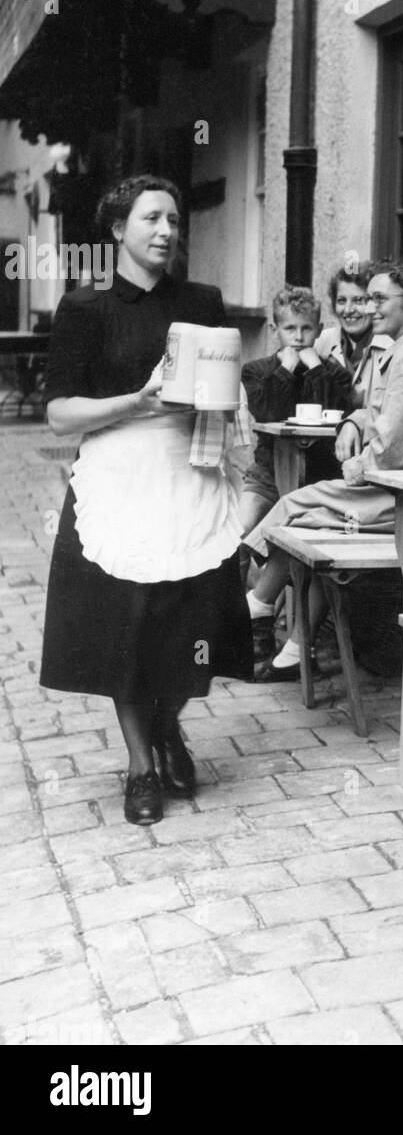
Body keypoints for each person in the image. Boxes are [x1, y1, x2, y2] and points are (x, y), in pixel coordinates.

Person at [40, 175, 253, 826]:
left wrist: (228, 438)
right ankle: (140, 765)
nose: (165, 231)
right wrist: (136, 400)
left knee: (194, 626)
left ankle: (168, 726)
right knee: (127, 633)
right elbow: (58, 414)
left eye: (173, 219)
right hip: (119, 480)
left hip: (190, 478)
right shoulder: (87, 307)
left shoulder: (203, 300)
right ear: (116, 230)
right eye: (151, 218)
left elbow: (222, 393)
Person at [243, 262, 403, 676]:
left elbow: (396, 446)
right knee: (300, 513)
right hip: (397, 488)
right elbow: (375, 411)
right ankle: (285, 639)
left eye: (379, 299)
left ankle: (258, 607)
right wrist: (354, 422)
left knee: (296, 509)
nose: (370, 308)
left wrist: (354, 463)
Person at [240, 285, 354, 537]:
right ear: (274, 330)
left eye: (307, 328)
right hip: (268, 473)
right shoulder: (255, 370)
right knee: (241, 529)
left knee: (307, 541)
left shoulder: (336, 374)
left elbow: (334, 415)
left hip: (321, 475)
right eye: (290, 328)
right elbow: (266, 413)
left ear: (320, 330)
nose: (299, 337)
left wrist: (315, 370)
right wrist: (285, 370)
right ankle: (243, 577)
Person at [317, 259, 391, 406]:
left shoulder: (390, 345)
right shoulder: (322, 341)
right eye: (341, 301)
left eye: (358, 300)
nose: (348, 310)